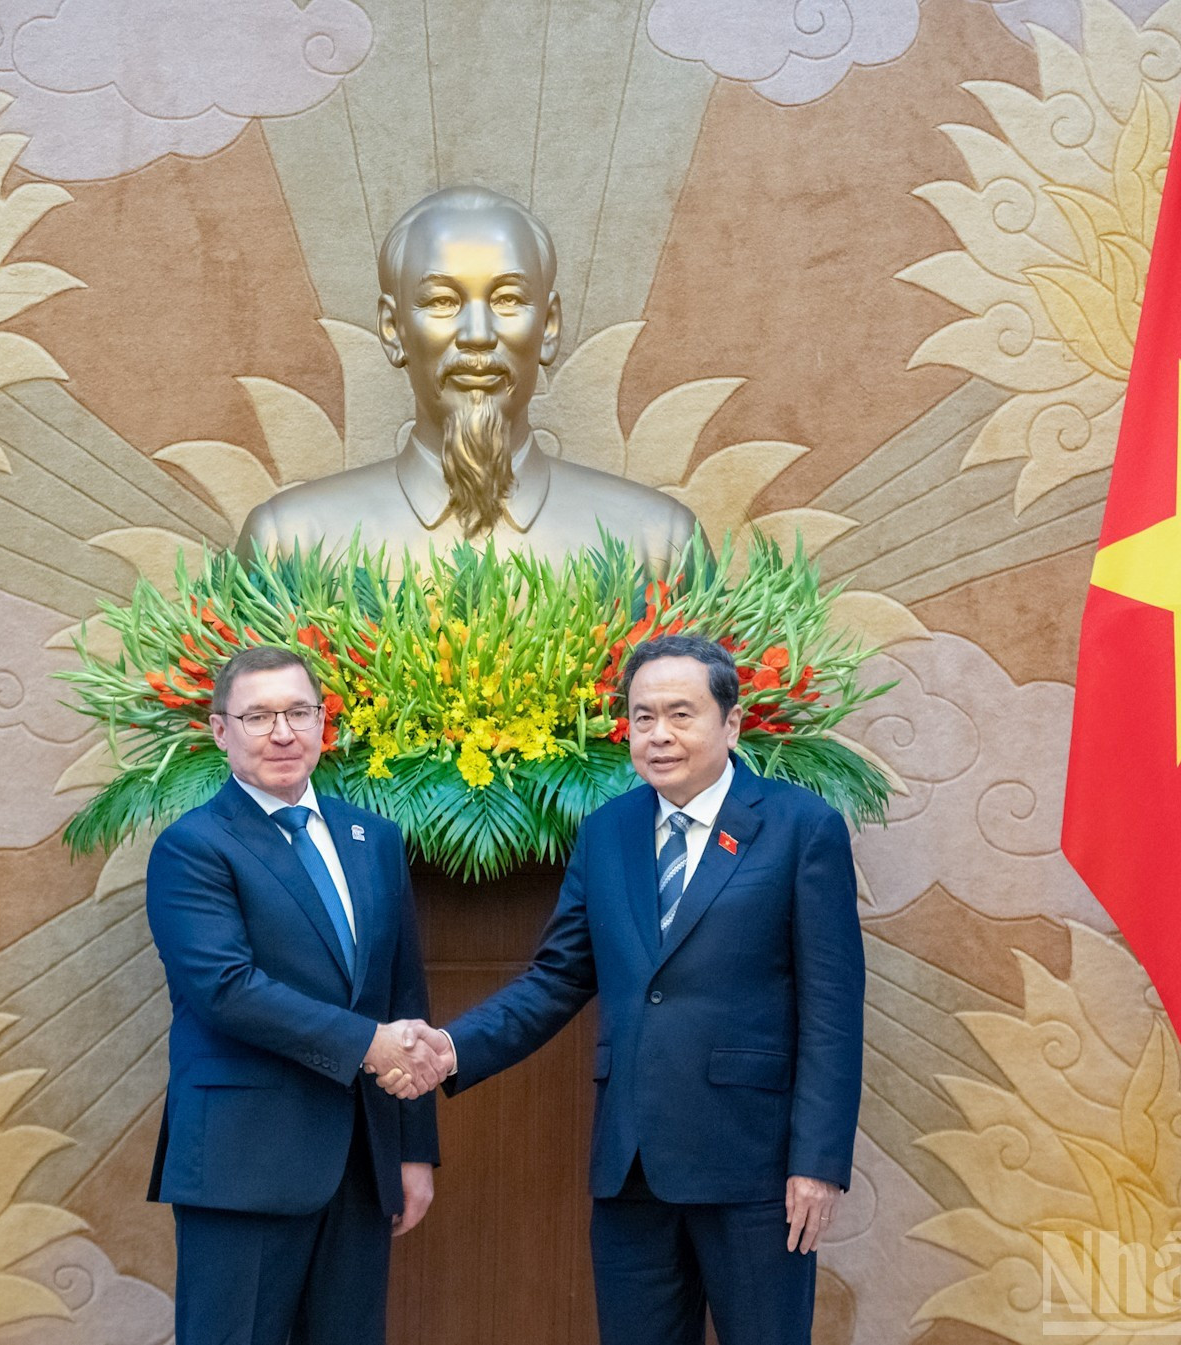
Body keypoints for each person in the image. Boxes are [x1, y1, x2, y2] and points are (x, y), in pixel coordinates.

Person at [400, 632, 865, 1345]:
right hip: (632, 1167)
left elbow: (833, 1010)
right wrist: (453, 1048)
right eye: (643, 717)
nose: (659, 734)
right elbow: (558, 977)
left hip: (756, 1170)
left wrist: (817, 1163)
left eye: (681, 714)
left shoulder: (801, 829)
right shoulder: (607, 832)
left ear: (730, 722)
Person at [144, 645, 447, 1345]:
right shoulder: (193, 847)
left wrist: (412, 1149)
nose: (282, 732)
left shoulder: (374, 838)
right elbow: (227, 988)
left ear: (323, 723)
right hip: (242, 1163)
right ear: (221, 730)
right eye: (258, 715)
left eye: (298, 712)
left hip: (360, 1165)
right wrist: (368, 1044)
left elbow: (404, 992)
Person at [235, 185, 702, 576]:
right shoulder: (289, 546)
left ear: (550, 326)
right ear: (393, 330)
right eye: (441, 301)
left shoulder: (661, 545)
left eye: (507, 299)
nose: (478, 335)